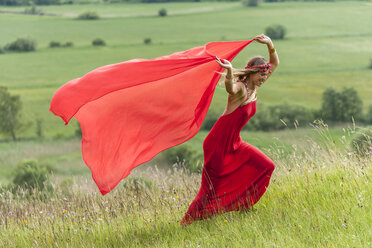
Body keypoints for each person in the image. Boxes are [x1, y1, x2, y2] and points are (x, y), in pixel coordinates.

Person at [181, 34, 280, 225]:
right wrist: (228, 71)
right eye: (261, 75)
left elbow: (274, 64)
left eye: (265, 75)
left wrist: (270, 44)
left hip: (235, 142)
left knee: (267, 166)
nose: (264, 78)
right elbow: (230, 89)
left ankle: (241, 204)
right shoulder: (242, 88)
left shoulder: (256, 86)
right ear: (252, 73)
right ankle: (188, 222)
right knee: (210, 189)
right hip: (217, 144)